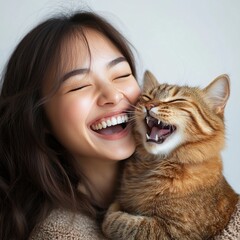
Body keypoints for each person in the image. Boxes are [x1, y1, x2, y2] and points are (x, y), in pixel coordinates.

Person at [0, 10, 239, 240]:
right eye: (79, 86)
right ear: (40, 119)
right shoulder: (60, 232)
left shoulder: (186, 171)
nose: (113, 96)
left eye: (121, 75)